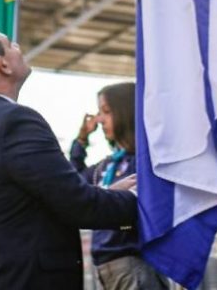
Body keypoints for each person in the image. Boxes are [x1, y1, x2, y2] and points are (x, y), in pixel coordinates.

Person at [0, 24, 138, 290]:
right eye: (10, 44)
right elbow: (78, 204)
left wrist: (105, 193)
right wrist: (136, 198)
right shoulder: (14, 121)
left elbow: (38, 201)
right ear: (3, 64)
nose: (18, 48)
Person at [70, 82, 167, 289]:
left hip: (134, 263)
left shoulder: (143, 160)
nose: (99, 120)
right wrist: (81, 141)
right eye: (99, 113)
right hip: (107, 268)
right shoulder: (105, 166)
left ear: (126, 112)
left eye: (106, 112)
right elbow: (73, 185)